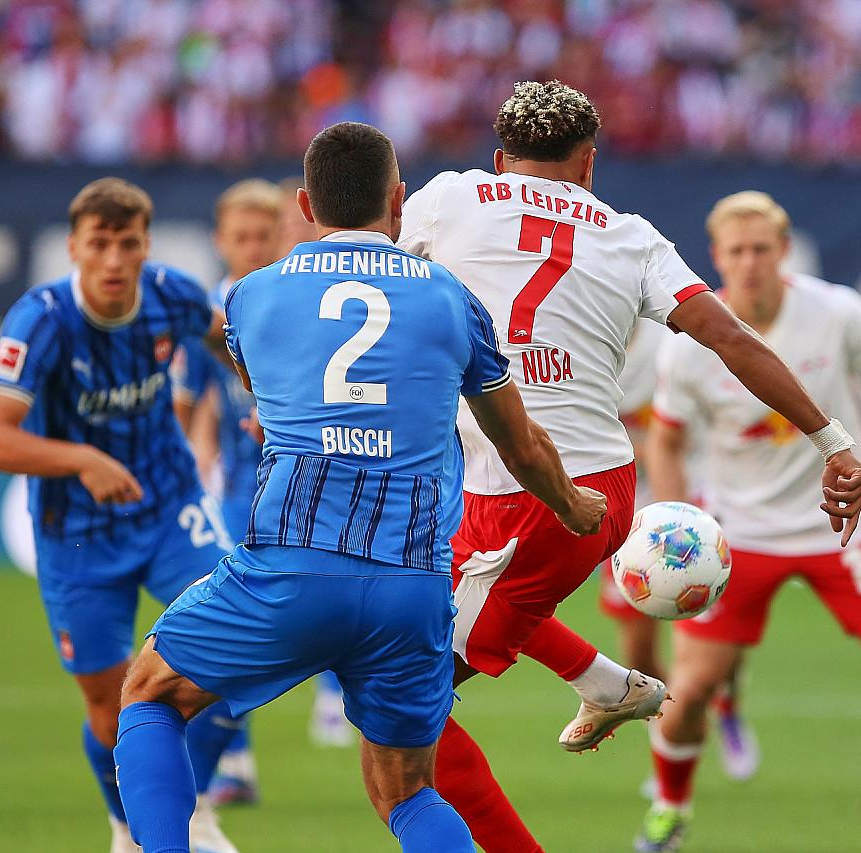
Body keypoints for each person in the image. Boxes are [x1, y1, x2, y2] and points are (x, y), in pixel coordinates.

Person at [397, 80, 861, 853]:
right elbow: (732, 339)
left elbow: (370, 278)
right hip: (594, 490)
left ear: (499, 159)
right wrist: (834, 442)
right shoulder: (630, 236)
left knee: (395, 706)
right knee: (405, 618)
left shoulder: (449, 198)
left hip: (531, 507)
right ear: (589, 164)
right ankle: (607, 682)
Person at [109, 121, 606, 853]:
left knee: (150, 693)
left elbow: (261, 391)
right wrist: (574, 504)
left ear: (305, 205)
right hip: (411, 587)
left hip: (290, 572)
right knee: (408, 793)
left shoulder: (251, 295)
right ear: (398, 199)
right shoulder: (451, 298)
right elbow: (521, 446)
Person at [634, 191, 861, 853]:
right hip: (739, 532)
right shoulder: (688, 344)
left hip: (842, 527)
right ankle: (668, 811)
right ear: (717, 257)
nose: (750, 263)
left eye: (761, 249)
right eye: (737, 251)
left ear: (784, 251)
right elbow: (666, 438)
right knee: (691, 687)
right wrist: (674, 517)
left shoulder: (837, 313)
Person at [0, 178, 241, 853]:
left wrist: (262, 394)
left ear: (146, 245)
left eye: (127, 243)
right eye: (100, 243)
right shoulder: (43, 319)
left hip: (170, 504)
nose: (114, 259)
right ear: (74, 247)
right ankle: (129, 827)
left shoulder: (172, 294)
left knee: (235, 643)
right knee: (110, 704)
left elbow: (227, 338)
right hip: (77, 533)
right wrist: (82, 459)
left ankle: (194, 809)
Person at [596, 320, 762, 784]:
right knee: (637, 651)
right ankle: (667, 741)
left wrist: (640, 446)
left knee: (710, 642)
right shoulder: (584, 346)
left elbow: (700, 425)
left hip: (693, 508)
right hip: (626, 516)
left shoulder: (671, 348)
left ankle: (727, 706)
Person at [171, 178, 284, 807]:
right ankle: (235, 760)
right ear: (220, 241)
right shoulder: (206, 317)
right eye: (241, 237)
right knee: (235, 622)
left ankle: (341, 703)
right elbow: (186, 403)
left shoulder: (297, 298)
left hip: (305, 482)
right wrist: (183, 477)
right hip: (241, 491)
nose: (252, 247)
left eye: (263, 235)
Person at [275, 172, 361, 749]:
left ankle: (335, 693)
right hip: (254, 474)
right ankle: (234, 756)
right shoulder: (255, 295)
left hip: (331, 469)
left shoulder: (290, 296)